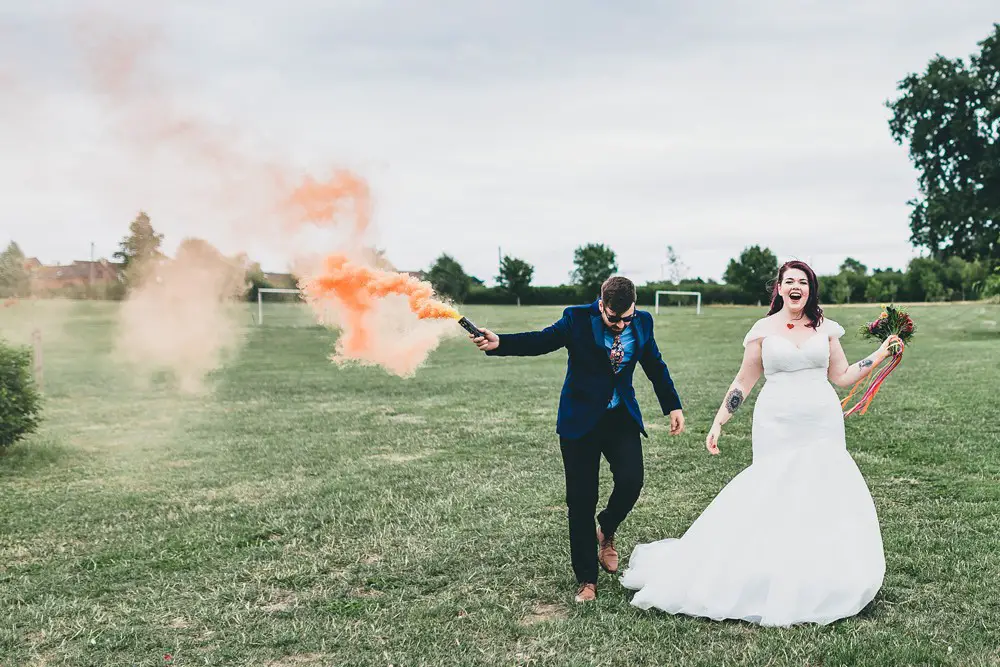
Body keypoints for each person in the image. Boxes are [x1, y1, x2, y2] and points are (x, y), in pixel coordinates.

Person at [620, 260, 900, 626]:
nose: (796, 287)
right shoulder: (763, 331)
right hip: (776, 423)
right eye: (789, 281)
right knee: (775, 491)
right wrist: (720, 421)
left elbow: (843, 377)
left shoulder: (826, 329)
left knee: (821, 493)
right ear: (779, 288)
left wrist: (879, 354)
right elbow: (743, 382)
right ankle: (767, 572)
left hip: (821, 422)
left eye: (803, 281)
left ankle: (818, 574)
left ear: (810, 289)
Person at [471, 276, 686, 603]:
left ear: (635, 307)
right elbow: (541, 340)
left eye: (625, 317)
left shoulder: (642, 322)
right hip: (580, 422)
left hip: (620, 417)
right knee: (581, 501)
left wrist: (672, 404)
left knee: (632, 481)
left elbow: (654, 364)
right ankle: (587, 579)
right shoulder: (576, 318)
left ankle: (607, 528)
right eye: (612, 318)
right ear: (601, 304)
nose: (619, 324)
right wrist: (501, 342)